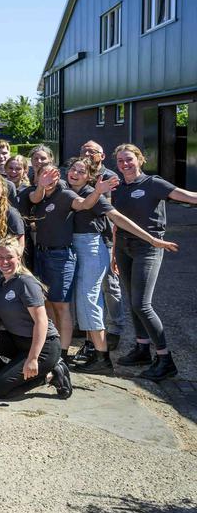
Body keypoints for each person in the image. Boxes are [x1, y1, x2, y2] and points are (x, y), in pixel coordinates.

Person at [65, 156, 175, 373]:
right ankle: (95, 350)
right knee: (86, 301)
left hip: (93, 251)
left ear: (89, 177)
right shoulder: (67, 191)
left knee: (92, 301)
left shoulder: (91, 194)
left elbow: (118, 219)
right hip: (77, 250)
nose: (75, 173)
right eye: (73, 169)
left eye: (81, 171)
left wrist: (152, 239)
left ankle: (102, 358)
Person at [109, 144, 192, 380]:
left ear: (140, 160)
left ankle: (165, 359)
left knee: (142, 304)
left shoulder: (153, 184)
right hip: (124, 247)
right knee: (133, 301)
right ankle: (142, 348)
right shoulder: (118, 187)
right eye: (121, 161)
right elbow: (117, 223)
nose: (125, 164)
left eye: (129, 159)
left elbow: (187, 196)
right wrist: (114, 253)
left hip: (149, 248)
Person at [26, 163, 116, 360]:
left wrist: (98, 191)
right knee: (47, 304)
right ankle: (54, 347)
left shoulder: (66, 194)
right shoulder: (39, 197)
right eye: (44, 175)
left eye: (53, 175)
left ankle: (64, 354)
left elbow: (84, 204)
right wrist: (41, 186)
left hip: (60, 257)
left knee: (62, 306)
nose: (49, 178)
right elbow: (34, 199)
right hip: (41, 255)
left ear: (59, 176)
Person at [0, 237, 72, 399]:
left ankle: (50, 374)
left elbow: (41, 321)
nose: (4, 261)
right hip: (18, 343)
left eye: (9, 257)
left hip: (43, 347)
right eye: (0, 257)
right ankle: (8, 375)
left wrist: (33, 358)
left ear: (19, 258)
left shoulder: (26, 283)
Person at [79, 140, 123, 347]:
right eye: (84, 150)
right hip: (84, 236)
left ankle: (115, 328)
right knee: (89, 287)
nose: (87, 153)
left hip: (105, 236)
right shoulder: (78, 173)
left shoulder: (110, 178)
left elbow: (114, 210)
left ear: (102, 156)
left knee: (110, 285)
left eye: (92, 151)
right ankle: (90, 329)